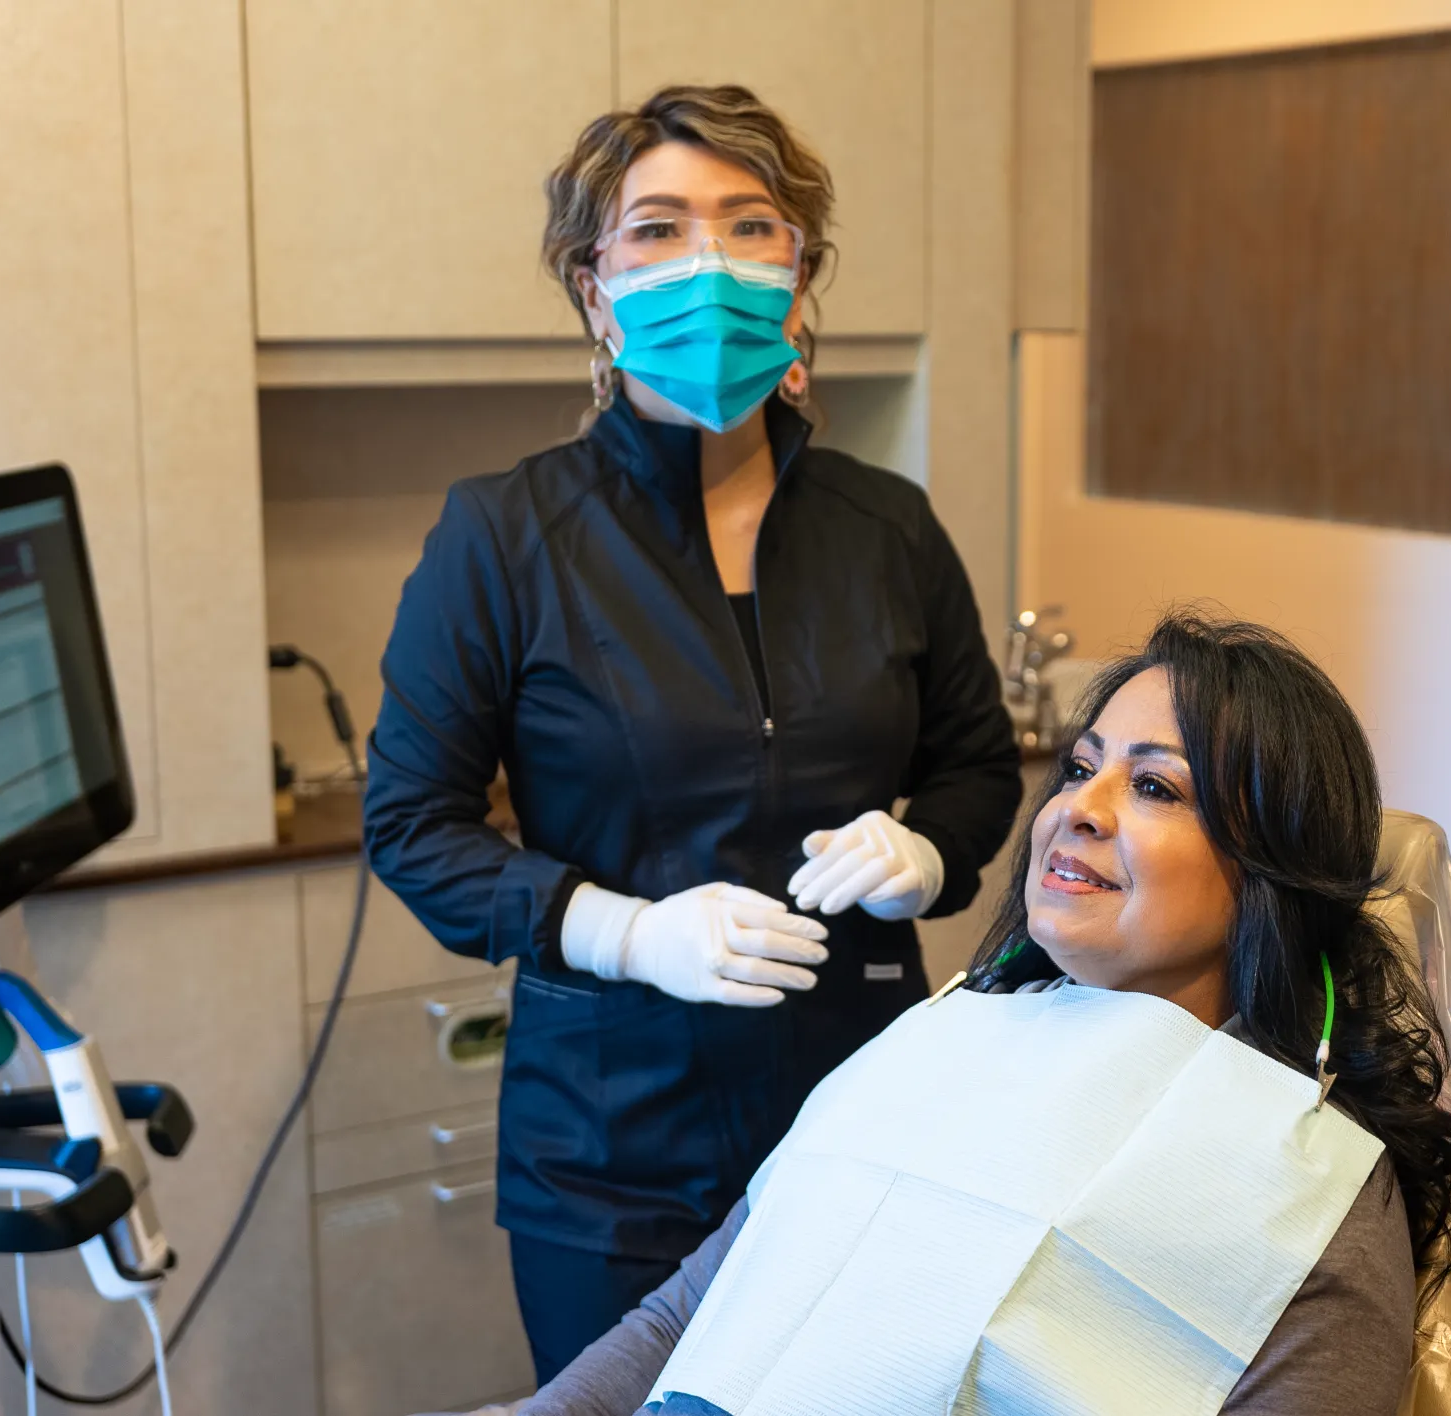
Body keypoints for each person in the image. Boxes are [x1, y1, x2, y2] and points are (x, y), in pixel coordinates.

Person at [362, 83, 1023, 1384]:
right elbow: (413, 829)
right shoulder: (503, 537)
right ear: (593, 289)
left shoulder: (888, 527)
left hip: (864, 1105)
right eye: (657, 230)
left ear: (800, 274)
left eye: (750, 226)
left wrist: (933, 853)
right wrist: (622, 929)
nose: (708, 264)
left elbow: (979, 768)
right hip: (611, 1154)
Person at [491, 612, 1451, 1416]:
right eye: (1079, 766)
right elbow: (685, 1316)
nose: (1075, 809)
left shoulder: (1297, 1186)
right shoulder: (940, 1041)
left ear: (1270, 868)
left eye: (1151, 786)